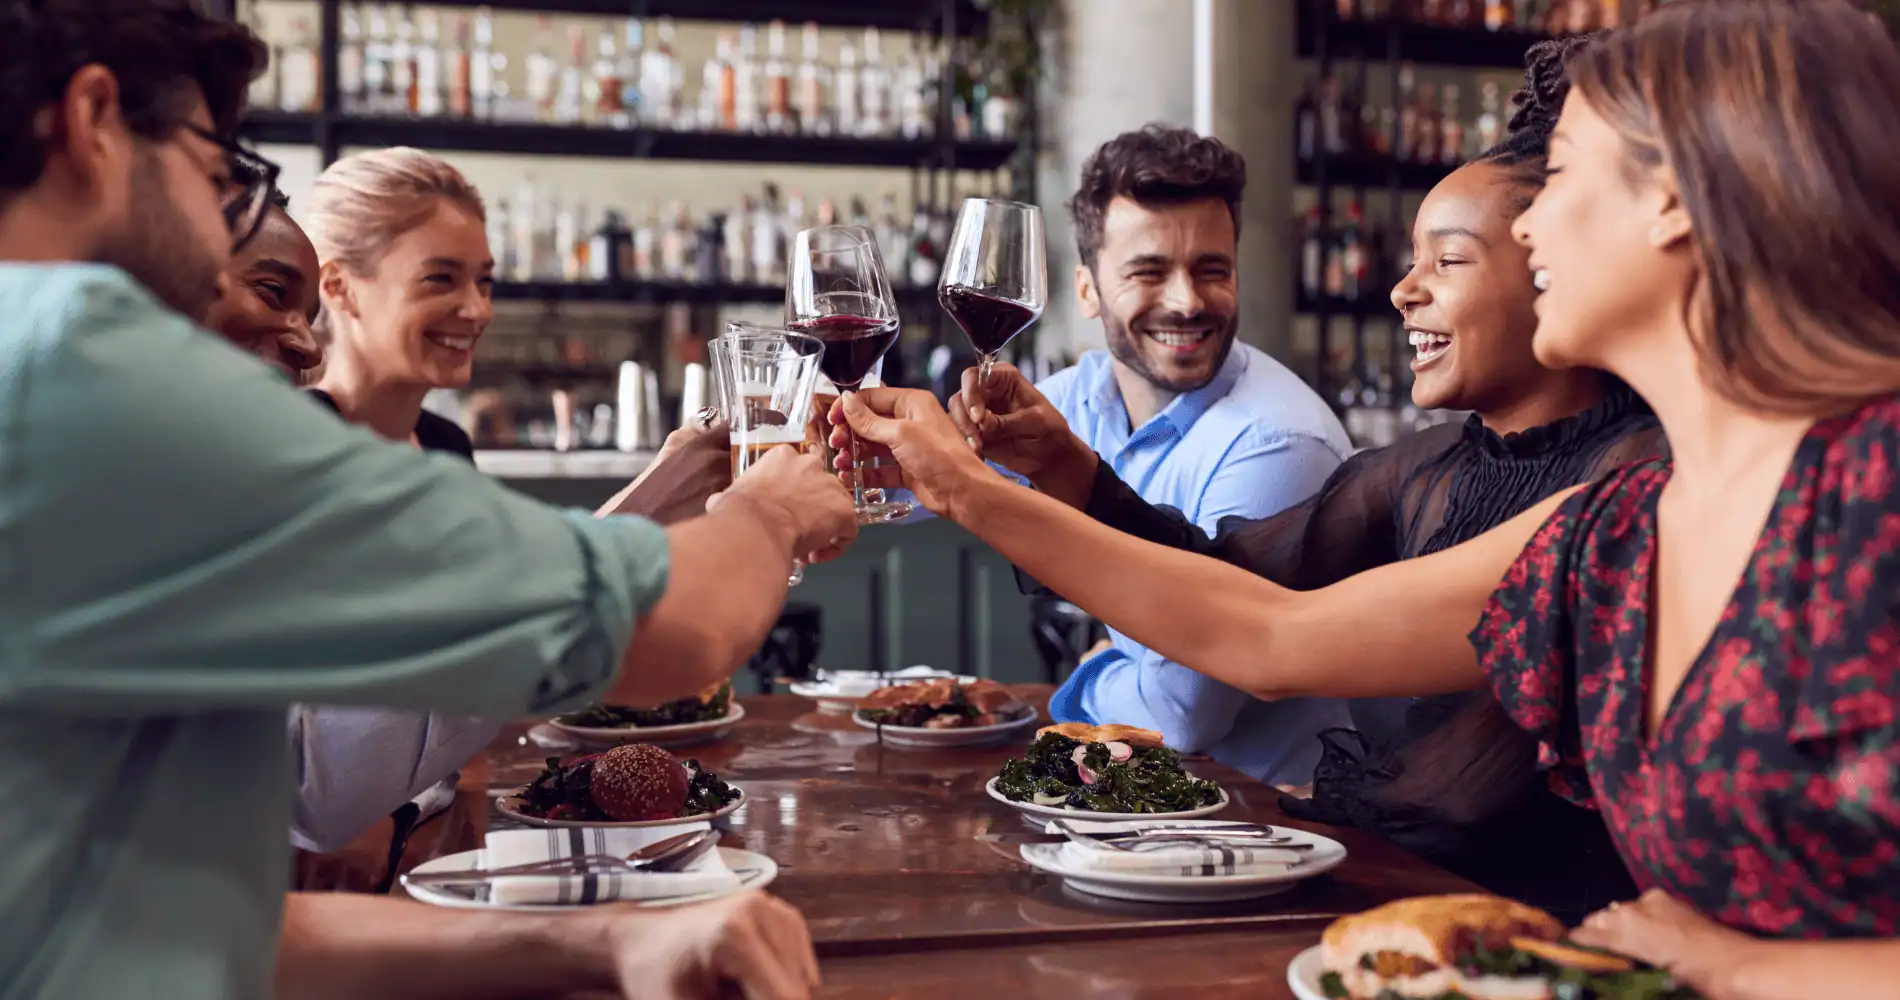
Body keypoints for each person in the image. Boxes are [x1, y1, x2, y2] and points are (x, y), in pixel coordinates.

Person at [839, 1, 1900, 993]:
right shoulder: (1618, 526)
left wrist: (1749, 971)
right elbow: (1267, 633)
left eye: (1563, 175)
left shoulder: (1870, 487)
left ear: (1674, 198)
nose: (1530, 234)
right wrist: (976, 487)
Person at [0, 3, 849, 997]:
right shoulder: (90, 365)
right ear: (93, 121)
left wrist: (608, 941)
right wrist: (775, 504)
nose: (222, 223)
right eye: (215, 170)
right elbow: (678, 627)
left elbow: (186, 926)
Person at [928, 38, 1657, 921]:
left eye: (1448, 261)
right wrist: (1061, 466)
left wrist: (972, 489)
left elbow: (1268, 641)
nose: (1401, 292)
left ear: (1553, 267)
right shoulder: (1428, 468)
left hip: (1521, 935)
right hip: (1391, 911)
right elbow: (1231, 581)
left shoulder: (1631, 489)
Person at [1024, 125, 1353, 787]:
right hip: (1160, 806)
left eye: (1212, 269)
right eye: (1149, 271)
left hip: (1277, 827)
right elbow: (932, 471)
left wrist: (1096, 674)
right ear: (1087, 291)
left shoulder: (1276, 444)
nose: (1188, 300)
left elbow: (1185, 715)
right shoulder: (1089, 394)